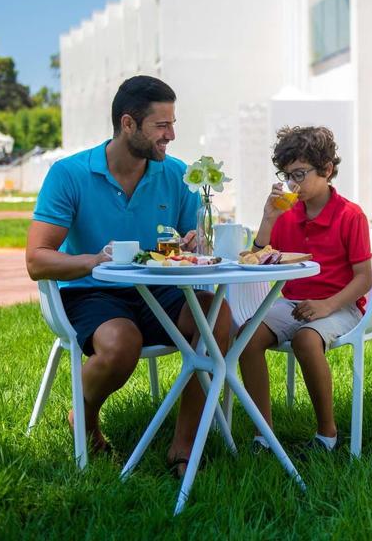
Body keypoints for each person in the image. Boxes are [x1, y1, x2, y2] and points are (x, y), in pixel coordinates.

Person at [26, 75, 231, 477]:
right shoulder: (69, 174)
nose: (171, 135)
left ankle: (184, 447)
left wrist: (195, 241)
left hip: (161, 289)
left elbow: (197, 241)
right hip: (91, 290)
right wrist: (95, 261)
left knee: (217, 320)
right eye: (161, 125)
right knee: (121, 344)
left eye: (172, 124)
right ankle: (82, 416)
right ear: (128, 124)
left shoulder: (176, 174)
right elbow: (37, 259)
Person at [239, 126, 372, 453]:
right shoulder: (287, 214)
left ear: (326, 170)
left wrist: (327, 305)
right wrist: (268, 218)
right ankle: (265, 434)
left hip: (340, 304)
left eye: (299, 174)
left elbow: (364, 278)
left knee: (306, 339)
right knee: (245, 337)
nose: (292, 184)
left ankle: (326, 434)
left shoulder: (350, 215)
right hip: (293, 302)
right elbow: (256, 259)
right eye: (286, 175)